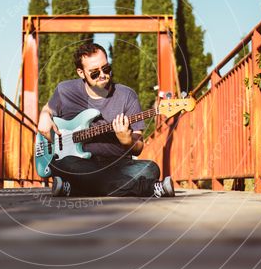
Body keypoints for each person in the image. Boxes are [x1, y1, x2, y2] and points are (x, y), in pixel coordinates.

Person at [37, 42, 175, 198]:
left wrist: (127, 140)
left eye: (106, 68)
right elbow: (48, 109)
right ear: (81, 73)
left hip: (117, 164)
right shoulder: (65, 90)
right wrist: (44, 115)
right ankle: (148, 188)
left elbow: (138, 148)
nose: (102, 75)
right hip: (79, 163)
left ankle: (75, 188)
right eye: (94, 73)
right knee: (63, 165)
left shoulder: (127, 95)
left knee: (150, 169)